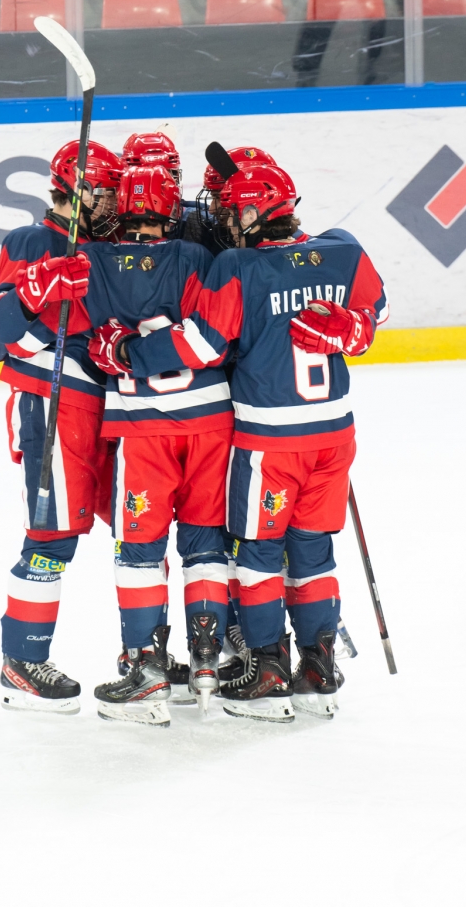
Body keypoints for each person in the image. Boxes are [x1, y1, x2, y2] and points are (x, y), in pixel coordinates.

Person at [104, 153, 387, 722]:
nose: (226, 222)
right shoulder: (344, 249)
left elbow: (202, 347)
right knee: (312, 551)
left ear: (256, 211)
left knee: (256, 553)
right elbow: (373, 311)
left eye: (233, 212)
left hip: (270, 442)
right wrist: (353, 328)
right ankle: (318, 668)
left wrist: (128, 352)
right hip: (334, 435)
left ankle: (266, 669)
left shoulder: (238, 266)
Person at [39, 164, 235, 725]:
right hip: (210, 426)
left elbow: (66, 330)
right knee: (205, 545)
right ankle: (204, 664)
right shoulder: (202, 258)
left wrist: (115, 348)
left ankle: (148, 670)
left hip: (143, 429)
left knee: (140, 551)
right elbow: (220, 335)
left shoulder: (93, 262)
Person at [0, 140, 123, 713]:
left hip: (116, 410)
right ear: (75, 187)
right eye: (104, 189)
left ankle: (145, 655)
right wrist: (36, 289)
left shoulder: (115, 245)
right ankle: (22, 661)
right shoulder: (32, 242)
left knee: (141, 532)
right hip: (52, 403)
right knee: (51, 536)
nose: (113, 200)